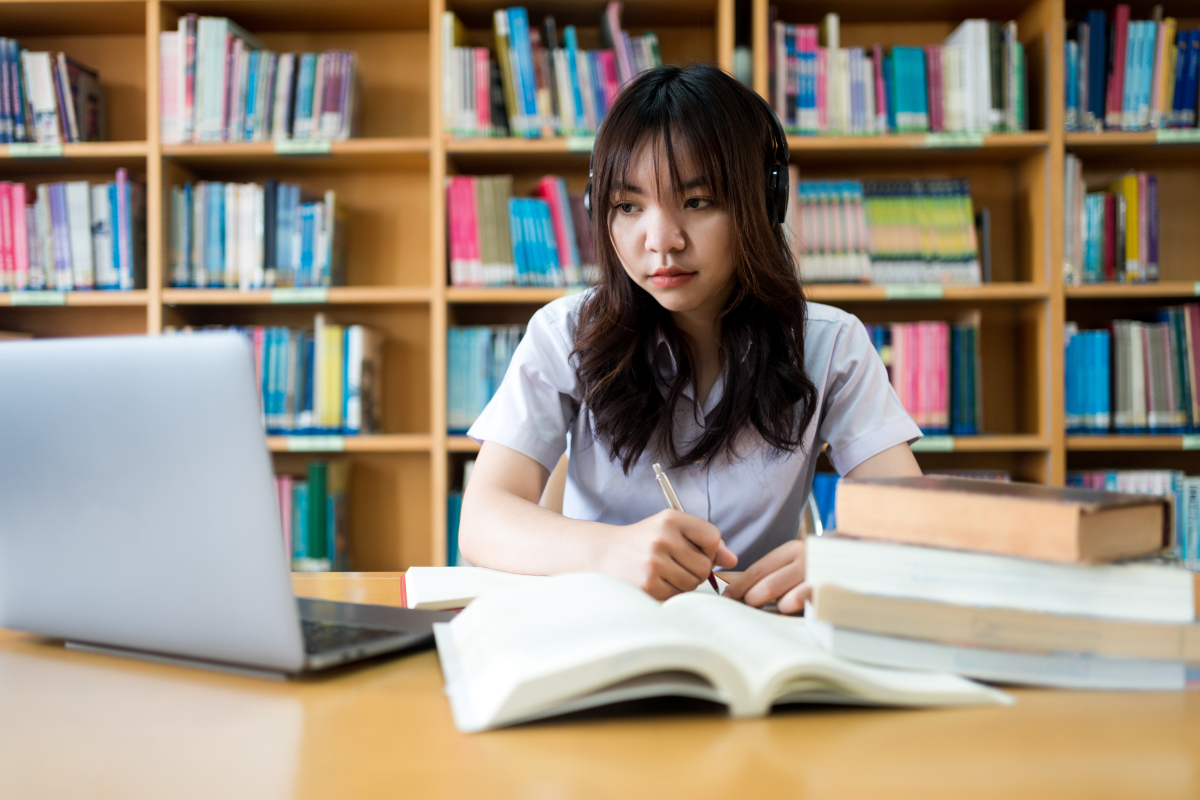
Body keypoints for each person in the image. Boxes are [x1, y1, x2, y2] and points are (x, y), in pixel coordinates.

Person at [459, 64, 922, 614]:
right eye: (628, 206)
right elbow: (484, 520)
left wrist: (845, 561)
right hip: (601, 628)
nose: (661, 242)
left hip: (762, 634)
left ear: (762, 203)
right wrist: (611, 550)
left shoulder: (830, 345)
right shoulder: (565, 334)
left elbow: (916, 520)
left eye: (696, 202)